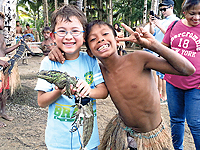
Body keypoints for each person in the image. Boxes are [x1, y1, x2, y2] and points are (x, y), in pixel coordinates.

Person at [48, 19, 195, 149]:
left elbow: (188, 69)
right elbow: (72, 60)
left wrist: (154, 45)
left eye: (105, 34)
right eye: (93, 39)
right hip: (122, 133)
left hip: (153, 138)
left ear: (117, 39)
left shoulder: (139, 59)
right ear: (90, 52)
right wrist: (58, 49)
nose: (100, 39)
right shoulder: (97, 72)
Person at [34, 5, 108, 150]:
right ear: (53, 36)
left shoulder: (91, 60)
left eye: (75, 31)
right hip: (58, 142)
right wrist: (58, 91)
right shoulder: (48, 63)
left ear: (84, 35)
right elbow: (41, 102)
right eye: (62, 31)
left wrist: (88, 90)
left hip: (89, 141)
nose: (68, 36)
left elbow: (104, 92)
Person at [161, 0, 200, 149]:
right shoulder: (175, 26)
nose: (196, 17)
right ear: (184, 12)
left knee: (195, 123)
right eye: (192, 13)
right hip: (173, 81)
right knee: (176, 119)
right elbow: (164, 48)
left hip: (195, 84)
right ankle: (177, 148)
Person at [149, 0, 179, 104]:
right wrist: (152, 24)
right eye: (161, 10)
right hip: (158, 51)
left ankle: (165, 97)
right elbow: (153, 33)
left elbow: (171, 36)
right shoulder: (162, 20)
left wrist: (159, 25)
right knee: (159, 74)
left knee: (165, 76)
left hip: (167, 51)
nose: (163, 12)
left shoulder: (175, 21)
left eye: (164, 9)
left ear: (171, 7)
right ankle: (160, 94)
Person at [0, 12, 21, 127]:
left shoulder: (1, 35)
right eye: (1, 20)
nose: (3, 23)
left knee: (4, 91)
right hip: (0, 64)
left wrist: (17, 45)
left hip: (4, 66)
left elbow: (4, 51)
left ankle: (3, 112)